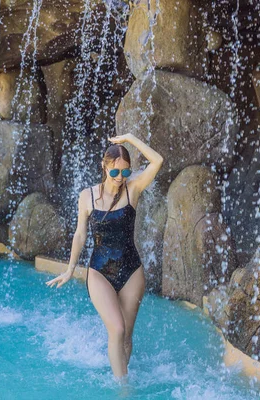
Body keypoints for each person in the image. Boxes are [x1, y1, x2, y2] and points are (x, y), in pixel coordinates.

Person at [46, 133, 163, 383]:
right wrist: (70, 269)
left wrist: (131, 139)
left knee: (127, 336)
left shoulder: (133, 190)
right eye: (114, 173)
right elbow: (80, 235)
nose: (119, 178)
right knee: (117, 329)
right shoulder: (87, 196)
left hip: (131, 271)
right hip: (99, 271)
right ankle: (123, 390)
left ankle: (122, 373)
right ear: (104, 166)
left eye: (125, 173)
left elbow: (158, 161)